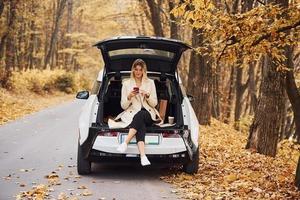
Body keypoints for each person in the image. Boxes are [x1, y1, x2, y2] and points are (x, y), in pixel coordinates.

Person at [108, 59, 162, 166]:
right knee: (140, 124)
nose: (138, 72)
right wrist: (129, 96)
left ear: (143, 71)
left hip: (148, 113)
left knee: (141, 115)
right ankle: (143, 156)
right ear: (133, 70)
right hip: (133, 115)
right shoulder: (126, 84)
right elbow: (123, 106)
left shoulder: (150, 83)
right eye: (136, 69)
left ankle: (125, 142)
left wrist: (147, 96)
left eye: (140, 70)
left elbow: (155, 104)